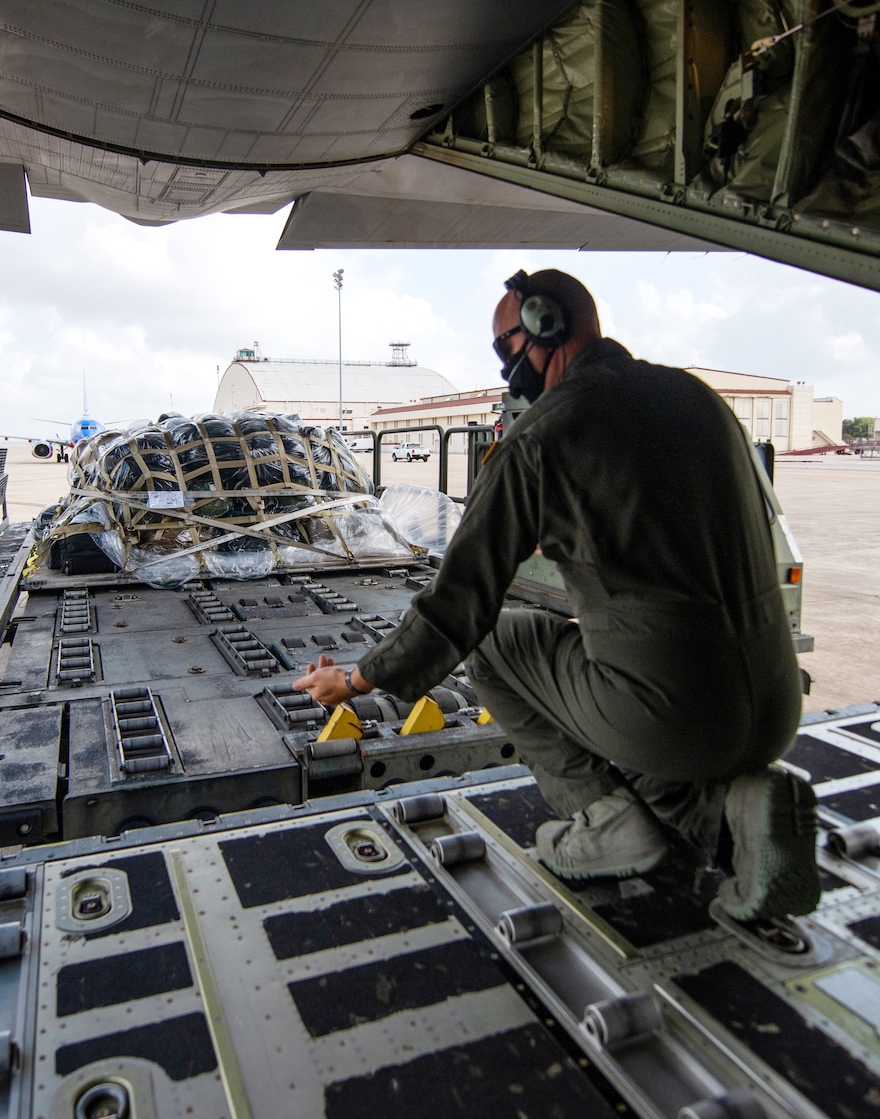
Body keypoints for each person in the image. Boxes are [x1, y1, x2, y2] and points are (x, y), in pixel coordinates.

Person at [293, 269, 816, 924]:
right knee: (624, 679)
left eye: (502, 345)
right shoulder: (698, 398)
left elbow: (459, 605)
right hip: (775, 708)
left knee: (497, 644)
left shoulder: (543, 435)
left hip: (671, 719)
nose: (506, 364)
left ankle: (602, 817)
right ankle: (733, 813)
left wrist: (360, 678)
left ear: (544, 324)